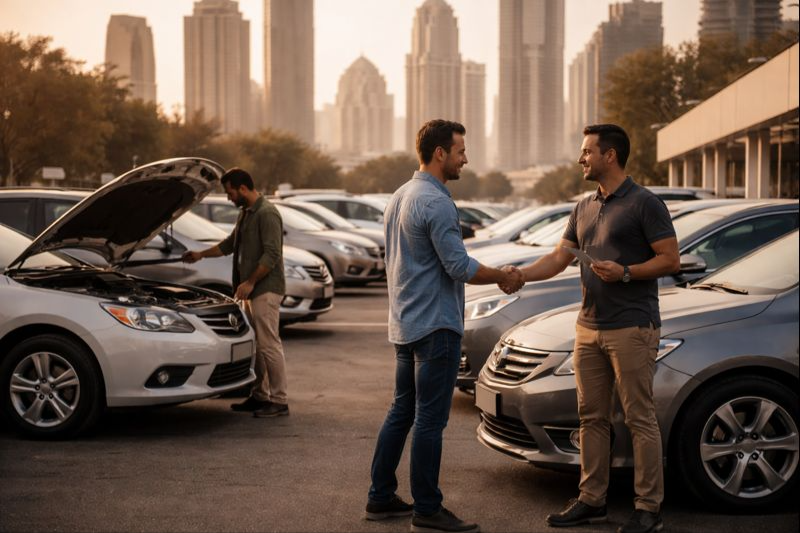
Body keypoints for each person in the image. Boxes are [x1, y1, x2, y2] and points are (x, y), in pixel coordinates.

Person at [514, 124, 679, 533]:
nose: (580, 158)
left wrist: (625, 272)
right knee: (591, 418)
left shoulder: (645, 203)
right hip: (587, 327)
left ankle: (648, 509)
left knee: (639, 418)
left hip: (632, 327)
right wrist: (517, 275)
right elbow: (558, 259)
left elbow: (670, 260)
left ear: (610, 156)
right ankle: (592, 500)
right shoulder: (583, 206)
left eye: (587, 151)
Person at [364, 119, 524, 533]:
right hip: (436, 326)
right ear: (440, 153)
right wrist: (503, 275)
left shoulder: (400, 196)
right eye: (460, 151)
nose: (465, 158)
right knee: (429, 420)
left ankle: (380, 497)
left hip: (405, 323)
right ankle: (427, 509)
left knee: (402, 411)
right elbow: (459, 266)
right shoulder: (435, 201)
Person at [182, 168, 290, 419]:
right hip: (252, 290)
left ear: (243, 188)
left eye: (230, 192)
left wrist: (251, 282)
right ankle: (260, 396)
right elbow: (230, 245)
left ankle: (280, 400)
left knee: (270, 345)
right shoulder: (246, 213)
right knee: (259, 345)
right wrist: (200, 255)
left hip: (266, 289)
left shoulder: (267, 213)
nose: (228, 197)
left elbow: (271, 255)